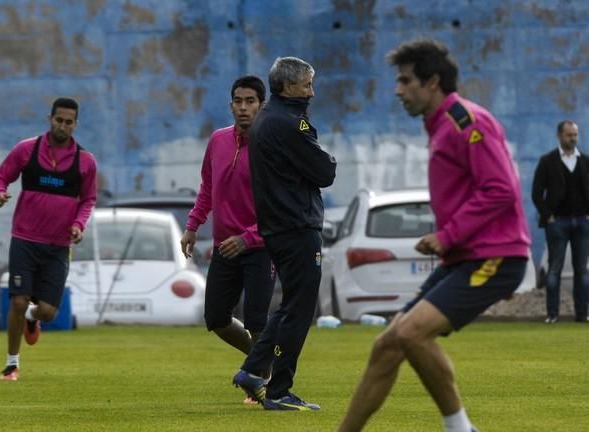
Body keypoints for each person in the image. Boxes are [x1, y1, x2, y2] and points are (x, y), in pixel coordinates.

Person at [338, 39, 531, 432]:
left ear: (433, 82)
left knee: (411, 333)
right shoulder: (441, 125)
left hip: (493, 256)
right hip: (465, 257)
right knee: (387, 345)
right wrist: (449, 239)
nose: (397, 90)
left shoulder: (466, 121)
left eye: (405, 81)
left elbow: (501, 190)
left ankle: (460, 429)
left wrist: (448, 234)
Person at [231, 56, 337, 411]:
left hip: (277, 226)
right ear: (287, 86)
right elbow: (324, 171)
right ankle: (279, 390)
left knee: (290, 304)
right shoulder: (292, 123)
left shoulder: (266, 120)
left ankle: (252, 370)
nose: (312, 91)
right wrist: (326, 160)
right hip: (297, 225)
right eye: (307, 84)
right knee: (299, 309)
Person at [180, 76, 276, 404]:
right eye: (238, 100)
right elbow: (208, 187)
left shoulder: (273, 146)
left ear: (262, 105)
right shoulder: (218, 141)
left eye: (250, 101)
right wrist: (193, 225)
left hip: (261, 246)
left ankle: (265, 378)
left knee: (258, 321)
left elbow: (280, 207)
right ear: (231, 104)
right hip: (225, 245)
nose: (243, 107)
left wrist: (248, 238)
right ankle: (262, 363)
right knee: (217, 319)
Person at [0, 97, 97, 381]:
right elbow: (1, 177)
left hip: (58, 246)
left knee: (48, 312)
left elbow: (88, 200)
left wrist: (78, 224)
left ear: (75, 124)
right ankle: (12, 364)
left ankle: (31, 319)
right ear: (49, 119)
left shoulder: (85, 161)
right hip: (24, 239)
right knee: (17, 301)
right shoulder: (26, 149)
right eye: (58, 120)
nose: (63, 126)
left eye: (68, 122)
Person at [532, 120, 589, 323]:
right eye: (569, 135)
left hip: (582, 223)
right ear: (559, 136)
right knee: (554, 269)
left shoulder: (585, 161)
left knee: (582, 270)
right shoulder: (547, 161)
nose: (573, 139)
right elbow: (537, 193)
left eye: (575, 135)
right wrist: (548, 216)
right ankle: (552, 314)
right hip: (558, 224)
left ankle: (582, 314)